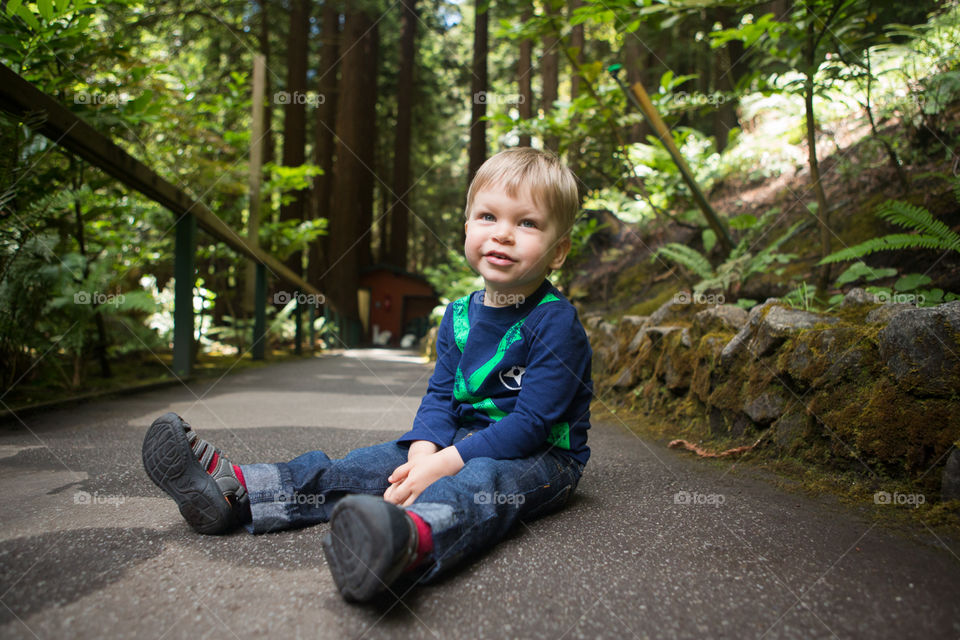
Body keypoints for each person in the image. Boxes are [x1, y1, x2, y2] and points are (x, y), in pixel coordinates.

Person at [141, 147, 593, 602]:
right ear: (467, 228)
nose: (504, 234)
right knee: (368, 466)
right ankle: (238, 491)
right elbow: (440, 397)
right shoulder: (458, 316)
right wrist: (422, 452)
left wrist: (441, 465)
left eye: (527, 223)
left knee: (482, 485)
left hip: (541, 457)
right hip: (458, 437)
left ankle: (404, 540)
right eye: (488, 216)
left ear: (558, 252)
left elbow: (531, 425)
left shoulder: (555, 323)